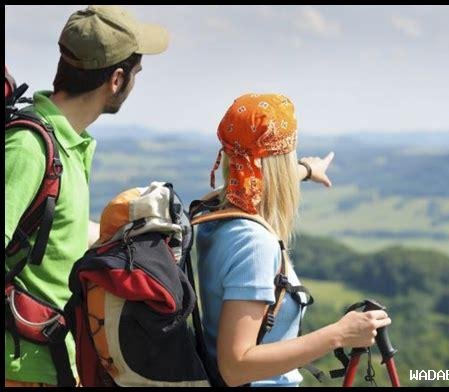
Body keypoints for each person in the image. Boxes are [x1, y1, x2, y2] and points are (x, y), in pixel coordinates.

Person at [5, 5, 168, 387]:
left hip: (54, 363)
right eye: (136, 73)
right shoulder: (28, 148)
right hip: (21, 371)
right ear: (116, 79)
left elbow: (55, 236)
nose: (135, 82)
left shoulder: (68, 143)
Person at [196, 93, 391, 387]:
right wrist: (340, 333)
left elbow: (255, 174)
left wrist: (307, 170)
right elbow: (235, 366)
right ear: (278, 163)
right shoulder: (254, 245)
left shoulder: (214, 209)